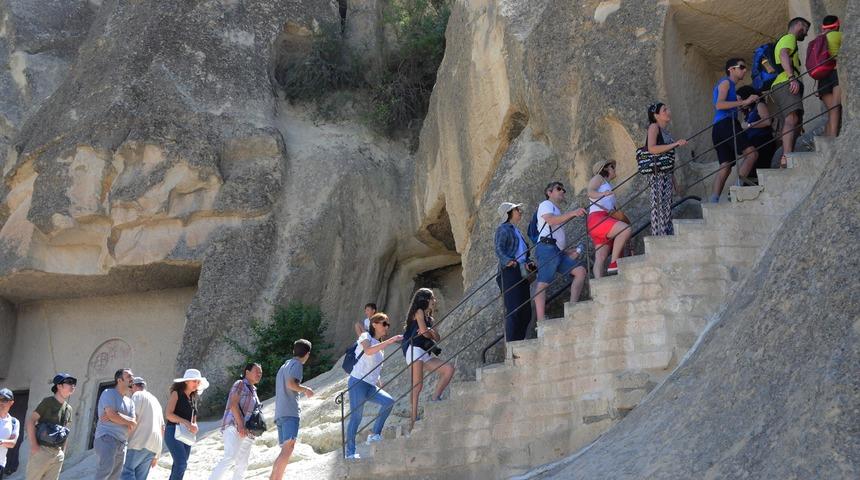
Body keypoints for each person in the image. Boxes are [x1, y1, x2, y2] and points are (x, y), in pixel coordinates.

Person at [345, 313, 403, 459]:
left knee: (389, 401)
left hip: (370, 385)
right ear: (374, 324)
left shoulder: (380, 345)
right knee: (356, 418)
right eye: (384, 323)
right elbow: (368, 351)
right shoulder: (366, 337)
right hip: (357, 382)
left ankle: (374, 434)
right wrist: (390, 341)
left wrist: (378, 381)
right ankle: (350, 453)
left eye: (387, 324)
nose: (386, 327)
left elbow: (374, 366)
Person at [402, 288, 455, 429]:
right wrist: (429, 332)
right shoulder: (418, 312)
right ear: (425, 300)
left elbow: (437, 337)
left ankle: (434, 398)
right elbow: (425, 334)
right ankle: (413, 419)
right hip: (414, 350)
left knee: (449, 369)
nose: (434, 301)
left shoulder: (429, 318)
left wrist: (429, 331)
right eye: (432, 298)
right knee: (417, 385)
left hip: (424, 353)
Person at [534, 181, 588, 317]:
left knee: (580, 271)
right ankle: (541, 321)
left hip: (555, 250)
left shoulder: (556, 209)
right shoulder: (545, 204)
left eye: (564, 189)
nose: (563, 191)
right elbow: (550, 221)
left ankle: (572, 308)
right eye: (559, 189)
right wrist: (573, 213)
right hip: (547, 248)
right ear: (549, 193)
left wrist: (565, 251)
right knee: (543, 284)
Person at [710, 58, 760, 202]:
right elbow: (719, 105)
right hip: (726, 124)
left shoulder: (729, 86)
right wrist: (744, 101)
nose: (745, 70)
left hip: (718, 127)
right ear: (731, 69)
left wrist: (742, 103)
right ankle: (736, 191)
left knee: (725, 166)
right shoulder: (726, 82)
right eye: (741, 67)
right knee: (752, 154)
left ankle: (713, 201)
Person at [209, 363, 263, 480]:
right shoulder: (240, 384)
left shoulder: (254, 390)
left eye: (261, 373)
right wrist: (241, 426)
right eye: (256, 371)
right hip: (235, 426)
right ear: (247, 372)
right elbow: (233, 405)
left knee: (242, 464)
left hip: (248, 432)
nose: (259, 374)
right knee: (230, 457)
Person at [270, 340, 314, 480]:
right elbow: (291, 384)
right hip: (290, 412)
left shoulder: (285, 365)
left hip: (281, 413)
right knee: (288, 450)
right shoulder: (297, 365)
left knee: (285, 450)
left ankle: (274, 478)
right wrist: (305, 389)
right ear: (307, 354)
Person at [773, 17, 811, 167]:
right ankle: (787, 157)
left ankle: (787, 156)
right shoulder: (789, 38)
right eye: (806, 29)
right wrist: (791, 78)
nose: (806, 33)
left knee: (795, 122)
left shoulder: (785, 40)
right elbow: (783, 55)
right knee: (792, 118)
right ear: (798, 24)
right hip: (785, 82)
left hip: (782, 84)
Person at [494, 202, 535, 342]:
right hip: (510, 272)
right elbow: (499, 248)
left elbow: (524, 253)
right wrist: (508, 261)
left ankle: (519, 341)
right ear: (509, 213)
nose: (520, 211)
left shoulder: (516, 230)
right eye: (516, 209)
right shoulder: (503, 229)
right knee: (514, 309)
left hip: (521, 271)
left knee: (526, 311)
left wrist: (529, 262)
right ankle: (512, 344)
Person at [645, 103, 687, 234]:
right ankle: (659, 236)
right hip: (657, 174)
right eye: (664, 110)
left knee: (666, 206)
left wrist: (675, 183)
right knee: (659, 207)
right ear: (656, 115)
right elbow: (651, 148)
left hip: (666, 173)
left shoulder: (666, 132)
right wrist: (675, 144)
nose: (668, 111)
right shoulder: (653, 127)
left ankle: (665, 234)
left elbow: (667, 160)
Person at [25, 373, 76, 480]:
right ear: (59, 386)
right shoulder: (47, 402)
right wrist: (34, 446)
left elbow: (66, 432)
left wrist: (63, 453)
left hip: (57, 454)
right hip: (42, 450)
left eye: (74, 383)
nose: (73, 386)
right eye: (69, 383)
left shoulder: (69, 409)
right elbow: (31, 421)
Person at [587, 161, 632, 277]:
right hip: (598, 218)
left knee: (600, 257)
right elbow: (590, 191)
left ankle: (598, 286)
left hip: (598, 221)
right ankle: (613, 264)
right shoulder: (599, 177)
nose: (614, 169)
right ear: (605, 168)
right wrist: (603, 194)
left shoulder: (607, 184)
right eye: (612, 167)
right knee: (625, 229)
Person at [164, 369, 207, 480]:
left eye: (198, 382)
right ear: (186, 381)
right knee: (181, 463)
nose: (196, 384)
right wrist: (186, 422)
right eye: (194, 381)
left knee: (180, 464)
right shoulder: (176, 393)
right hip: (172, 431)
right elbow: (168, 415)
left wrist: (194, 426)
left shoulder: (193, 398)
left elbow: (193, 420)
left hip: (186, 434)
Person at [94, 369, 137, 480]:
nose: (132, 379)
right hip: (107, 438)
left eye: (132, 376)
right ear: (119, 380)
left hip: (122, 443)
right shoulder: (108, 393)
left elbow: (133, 423)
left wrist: (116, 415)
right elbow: (112, 415)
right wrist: (116, 416)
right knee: (105, 471)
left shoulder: (130, 402)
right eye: (128, 376)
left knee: (115, 477)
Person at [122, 377, 164, 480]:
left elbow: (133, 418)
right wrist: (157, 454)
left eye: (130, 387)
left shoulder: (137, 395)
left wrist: (123, 438)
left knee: (126, 472)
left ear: (135, 386)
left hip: (139, 442)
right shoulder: (155, 400)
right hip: (154, 445)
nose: (130, 391)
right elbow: (163, 428)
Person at [737, 86, 777, 174]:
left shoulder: (759, 104)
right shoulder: (748, 112)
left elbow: (767, 121)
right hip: (755, 144)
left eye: (740, 99)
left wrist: (748, 125)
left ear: (746, 96)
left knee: (758, 172)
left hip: (763, 142)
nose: (739, 103)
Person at [818, 15, 842, 137]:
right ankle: (833, 139)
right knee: (835, 107)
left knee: (830, 111)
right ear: (837, 24)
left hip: (822, 78)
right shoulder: (838, 35)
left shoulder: (819, 39)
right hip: (834, 74)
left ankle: (827, 140)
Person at [0, 389, 19, 480]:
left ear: (11, 403)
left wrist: (0, 441)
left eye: (4, 400)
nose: (1, 403)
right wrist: (5, 442)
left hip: (1, 464)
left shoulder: (14, 422)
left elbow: (12, 443)